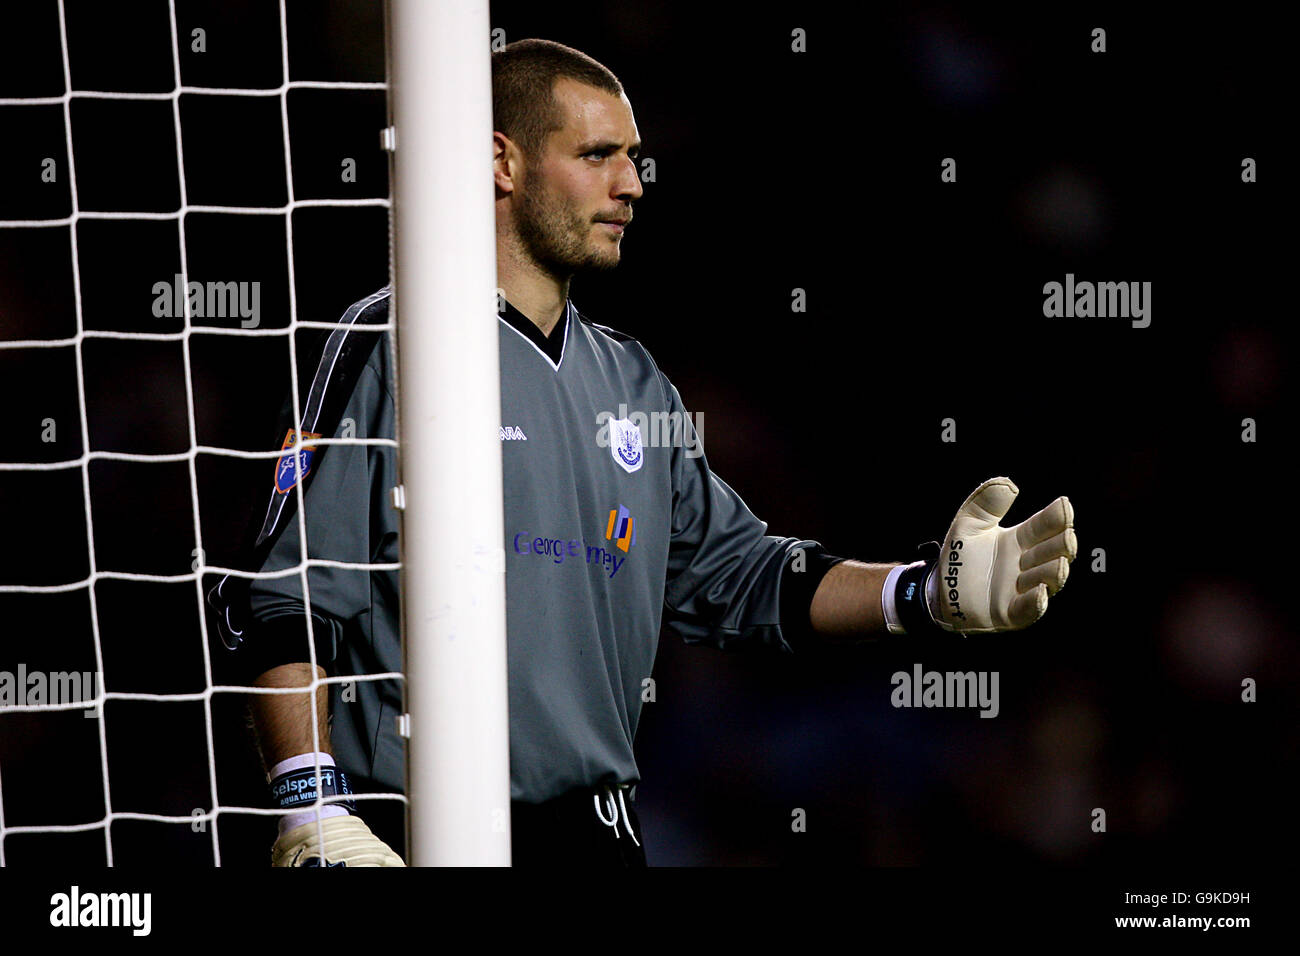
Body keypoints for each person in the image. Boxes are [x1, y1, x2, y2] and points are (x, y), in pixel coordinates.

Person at [207, 38, 1077, 867]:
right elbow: (284, 597)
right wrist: (312, 805)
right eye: (598, 155)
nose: (632, 183)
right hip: (417, 829)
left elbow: (747, 577)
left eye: (634, 156)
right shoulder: (397, 342)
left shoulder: (632, 380)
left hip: (598, 838)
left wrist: (924, 594)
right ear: (501, 162)